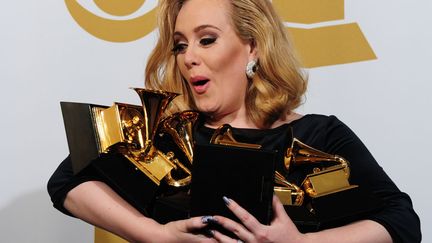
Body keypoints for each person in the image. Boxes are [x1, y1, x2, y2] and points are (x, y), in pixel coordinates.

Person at [48, 0, 421, 242]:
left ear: (253, 47)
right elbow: (67, 179)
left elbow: (401, 221)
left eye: (206, 40)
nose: (188, 57)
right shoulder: (166, 137)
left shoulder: (319, 135)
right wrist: (156, 235)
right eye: (180, 45)